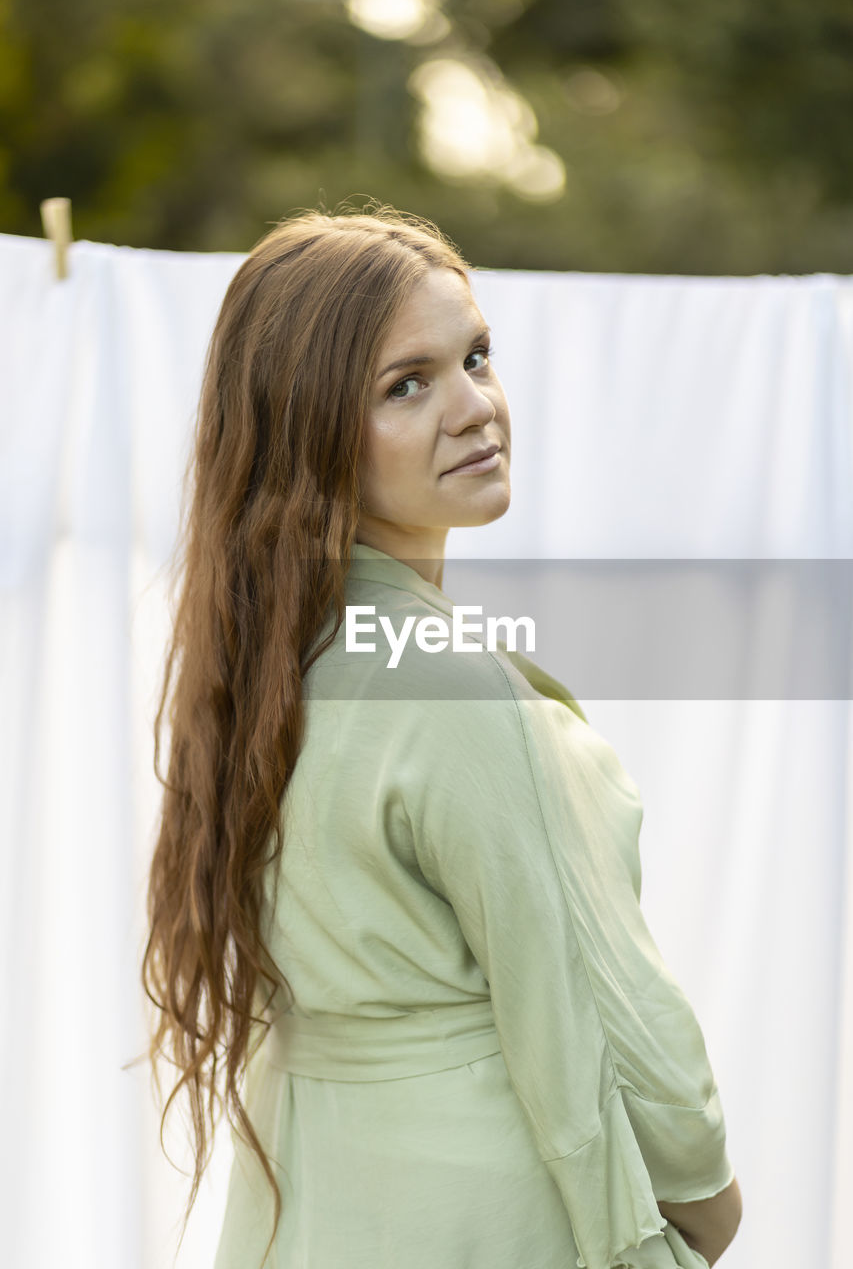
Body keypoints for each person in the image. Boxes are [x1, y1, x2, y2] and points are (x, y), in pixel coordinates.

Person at [139, 204, 742, 1269]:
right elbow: (591, 1000)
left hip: (302, 1207)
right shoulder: (448, 687)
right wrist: (701, 1200)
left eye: (475, 356)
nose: (474, 406)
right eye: (404, 384)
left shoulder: (268, 669)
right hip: (484, 1218)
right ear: (308, 424)